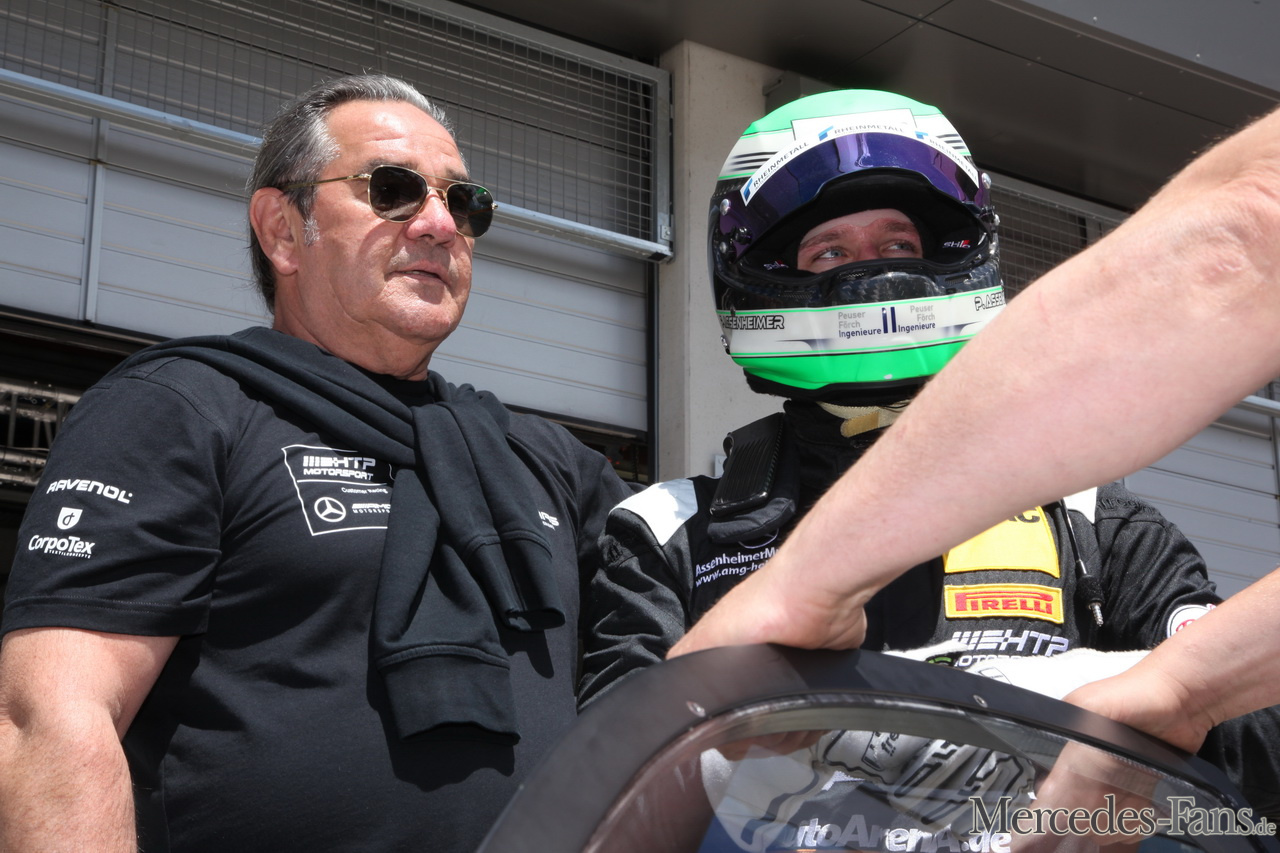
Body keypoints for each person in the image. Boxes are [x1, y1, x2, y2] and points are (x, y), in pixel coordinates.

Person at [578, 89, 1280, 821]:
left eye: (898, 245)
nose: (873, 271)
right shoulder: (669, 530)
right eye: (830, 251)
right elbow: (614, 790)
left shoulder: (1095, 524)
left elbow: (1251, 753)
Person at [0, 74, 633, 852]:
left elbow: (684, 648)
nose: (441, 224)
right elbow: (48, 718)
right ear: (281, 229)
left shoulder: (545, 460)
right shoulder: (182, 409)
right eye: (394, 190)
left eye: (463, 202)